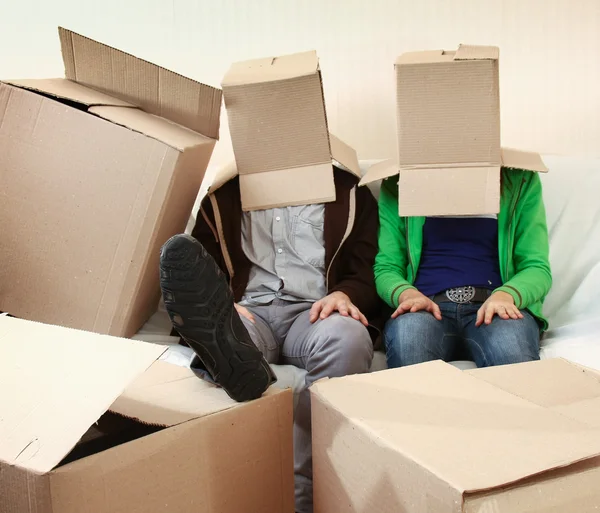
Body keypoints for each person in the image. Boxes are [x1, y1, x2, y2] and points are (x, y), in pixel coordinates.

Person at [159, 164, 382, 513]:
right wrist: (226, 301)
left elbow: (368, 264)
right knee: (230, 337)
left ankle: (304, 494)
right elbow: (204, 261)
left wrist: (346, 293)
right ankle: (226, 352)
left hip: (315, 313)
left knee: (349, 338)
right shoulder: (225, 195)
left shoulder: (349, 191)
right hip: (249, 311)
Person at [374, 168, 552, 368]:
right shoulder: (399, 184)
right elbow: (387, 267)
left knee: (511, 353)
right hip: (425, 307)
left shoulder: (519, 181)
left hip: (494, 306)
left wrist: (506, 295)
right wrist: (406, 294)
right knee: (410, 340)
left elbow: (536, 267)